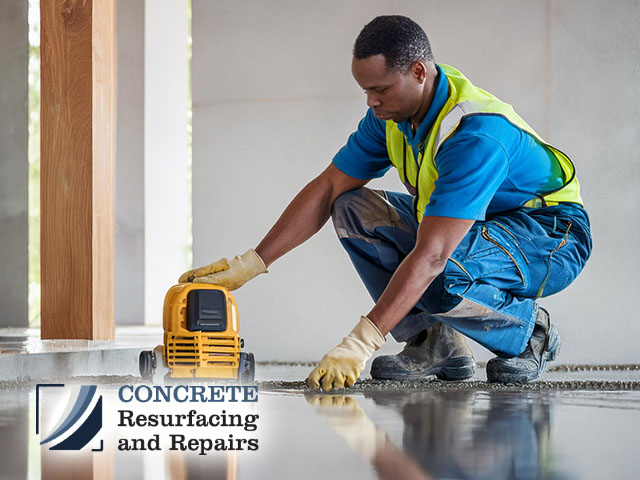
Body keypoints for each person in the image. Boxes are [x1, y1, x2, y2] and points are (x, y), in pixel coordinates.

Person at [179, 15, 592, 390]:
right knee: (353, 208)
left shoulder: (473, 134)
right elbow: (328, 188)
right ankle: (433, 341)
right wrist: (252, 263)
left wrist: (362, 341)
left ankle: (529, 331)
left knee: (438, 265)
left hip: (549, 236)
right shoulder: (392, 118)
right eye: (366, 91)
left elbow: (432, 255)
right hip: (477, 233)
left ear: (418, 72)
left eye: (380, 89)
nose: (371, 102)